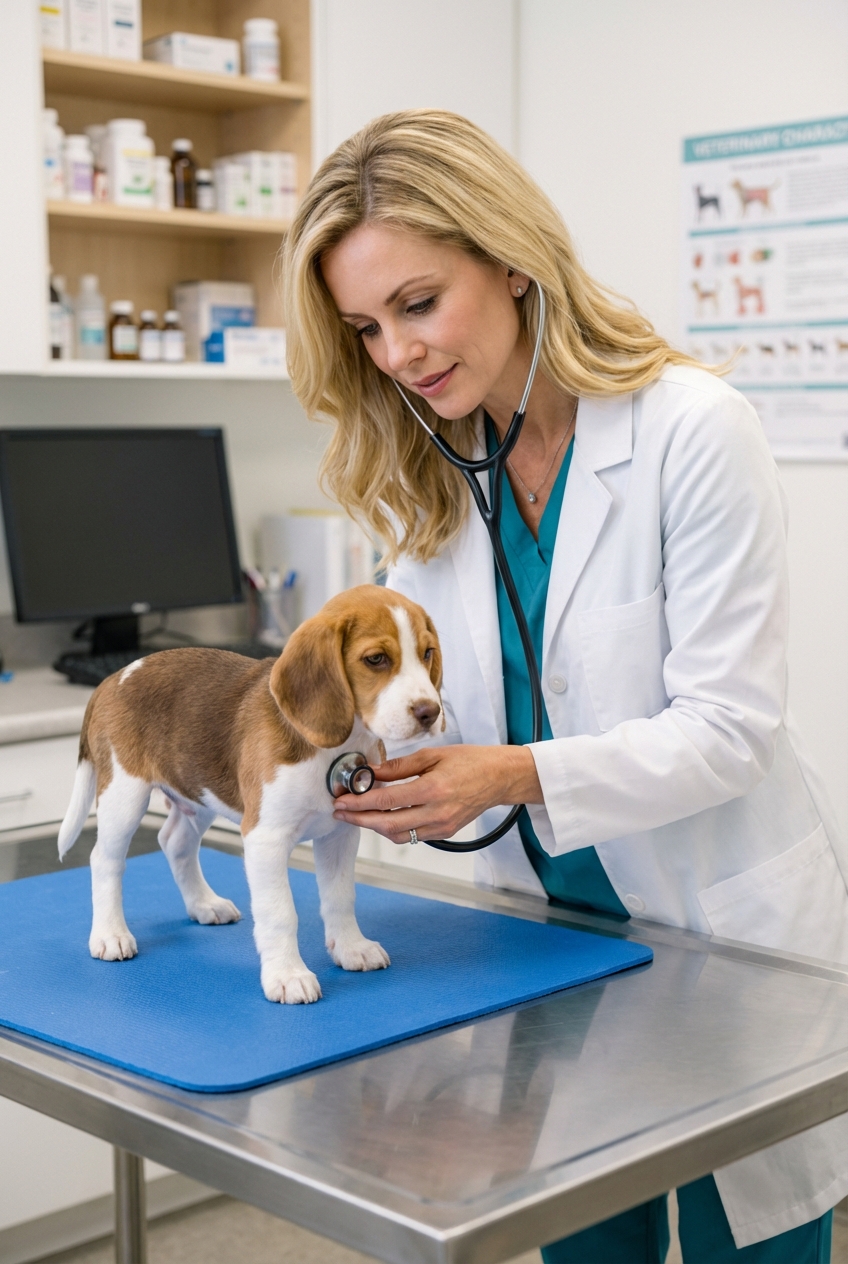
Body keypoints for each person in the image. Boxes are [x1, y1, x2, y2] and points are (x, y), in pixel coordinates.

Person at [280, 109, 846, 1263]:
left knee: (753, 1243)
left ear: (511, 258)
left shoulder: (692, 429)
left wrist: (514, 771)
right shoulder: (426, 481)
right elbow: (419, 713)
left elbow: (729, 729)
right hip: (544, 957)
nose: (395, 355)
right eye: (364, 327)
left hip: (716, 942)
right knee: (583, 1241)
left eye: (418, 304)